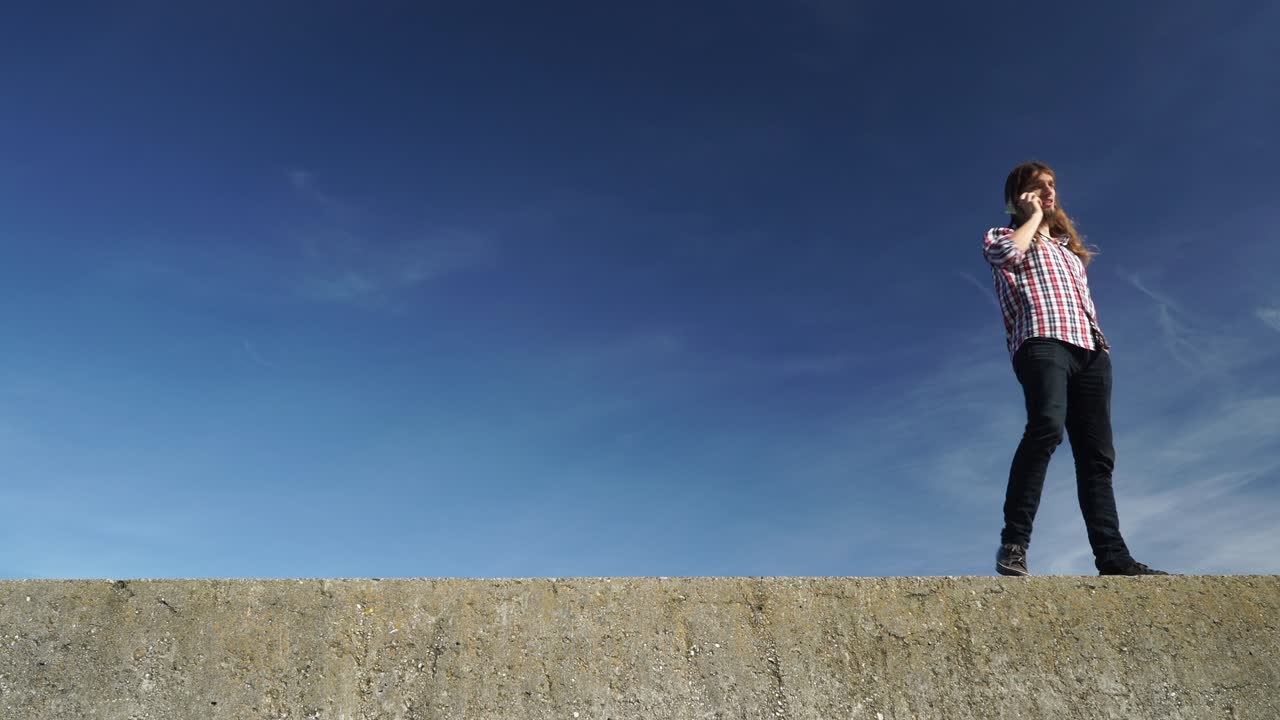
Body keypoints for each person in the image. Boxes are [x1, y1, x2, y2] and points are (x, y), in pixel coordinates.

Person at [982, 160, 1167, 577]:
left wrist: (1101, 347)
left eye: (1051, 186)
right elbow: (1007, 256)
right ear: (1018, 196)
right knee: (1047, 426)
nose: (1048, 191)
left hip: (1091, 350)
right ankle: (1014, 543)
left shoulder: (1068, 253)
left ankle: (1113, 556)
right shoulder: (1005, 236)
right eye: (1036, 187)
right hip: (1043, 342)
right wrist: (1028, 219)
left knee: (1097, 456)